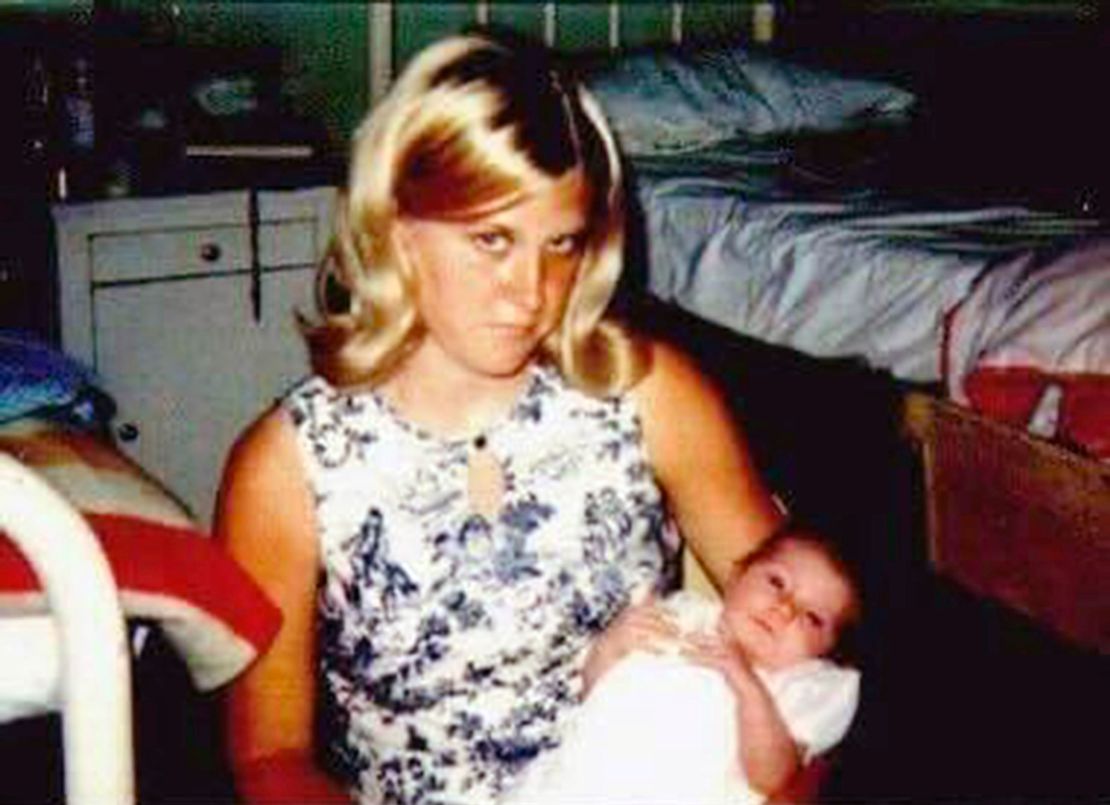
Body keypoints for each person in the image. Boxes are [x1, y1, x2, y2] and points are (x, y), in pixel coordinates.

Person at [215, 32, 783, 804]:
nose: (531, 290)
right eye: (492, 240)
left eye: (562, 245)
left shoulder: (653, 394)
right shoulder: (287, 466)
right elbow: (270, 758)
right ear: (397, 225)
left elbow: (802, 635)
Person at [502, 526, 862, 805]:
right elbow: (597, 696)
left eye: (812, 618)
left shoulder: (797, 685)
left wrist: (745, 684)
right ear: (737, 575)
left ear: (827, 650)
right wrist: (610, 646)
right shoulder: (682, 617)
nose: (784, 608)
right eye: (776, 582)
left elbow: (772, 777)